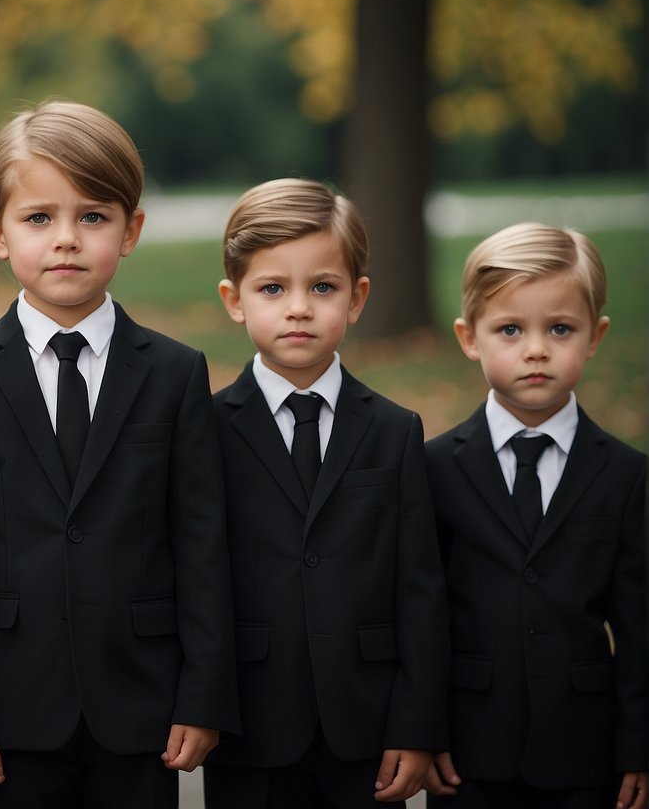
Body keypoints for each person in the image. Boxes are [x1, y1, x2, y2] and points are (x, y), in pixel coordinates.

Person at [0, 100, 238, 808]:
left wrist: (202, 692)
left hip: (141, 703)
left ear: (130, 232)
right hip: (6, 708)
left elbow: (201, 545)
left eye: (92, 217)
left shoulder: (174, 373)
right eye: (38, 218)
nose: (65, 239)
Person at [203, 178, 450, 808]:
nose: (298, 308)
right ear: (235, 299)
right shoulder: (205, 429)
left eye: (322, 287)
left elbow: (420, 589)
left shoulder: (396, 431)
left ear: (358, 296)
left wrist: (416, 724)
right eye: (272, 288)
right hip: (248, 723)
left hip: (366, 726)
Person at [423, 222, 647, 809]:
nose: (537, 349)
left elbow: (639, 628)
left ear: (595, 336)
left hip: (585, 752)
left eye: (561, 328)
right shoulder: (433, 468)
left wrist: (639, 747)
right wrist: (425, 733)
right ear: (469, 337)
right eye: (511, 329)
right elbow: (422, 616)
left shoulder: (625, 474)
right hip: (468, 751)